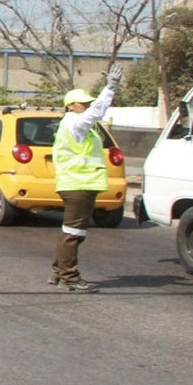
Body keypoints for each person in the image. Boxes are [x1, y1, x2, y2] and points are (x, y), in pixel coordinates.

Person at [49, 65, 123, 294]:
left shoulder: (77, 125)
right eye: (83, 103)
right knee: (73, 233)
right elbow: (96, 113)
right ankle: (69, 277)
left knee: (72, 231)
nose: (88, 106)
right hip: (78, 184)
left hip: (79, 183)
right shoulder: (75, 123)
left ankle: (58, 272)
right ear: (70, 106)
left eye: (88, 102)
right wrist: (109, 89)